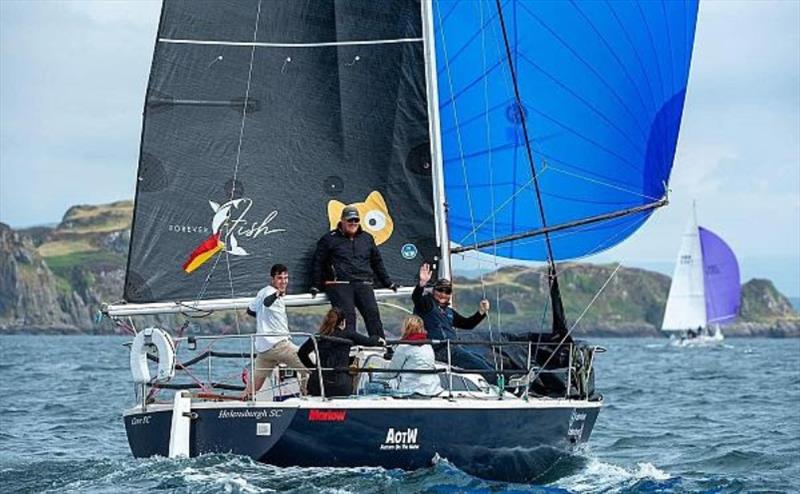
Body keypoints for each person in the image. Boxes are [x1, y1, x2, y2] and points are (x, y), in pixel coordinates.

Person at [311, 205, 397, 339]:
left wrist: (388, 282)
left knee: (372, 314)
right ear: (342, 221)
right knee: (347, 318)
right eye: (350, 220)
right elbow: (318, 262)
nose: (353, 223)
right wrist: (316, 284)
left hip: (363, 282)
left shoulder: (367, 238)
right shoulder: (329, 239)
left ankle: (381, 346)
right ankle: (348, 351)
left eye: (356, 220)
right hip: (339, 283)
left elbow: (377, 262)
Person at [412, 262, 498, 384]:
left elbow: (467, 324)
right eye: (440, 290)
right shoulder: (426, 304)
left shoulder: (449, 311)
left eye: (447, 291)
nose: (443, 294)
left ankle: (504, 381)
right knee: (476, 363)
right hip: (438, 349)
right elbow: (416, 298)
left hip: (452, 347)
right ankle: (502, 383)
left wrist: (481, 312)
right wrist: (421, 284)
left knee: (481, 360)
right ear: (433, 291)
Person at [244, 263, 308, 398]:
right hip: (280, 345)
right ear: (272, 279)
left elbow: (250, 310)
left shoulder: (261, 291)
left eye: (286, 278)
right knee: (311, 367)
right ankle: (307, 395)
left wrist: (264, 317)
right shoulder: (271, 294)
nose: (283, 281)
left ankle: (242, 401)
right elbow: (267, 302)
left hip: (264, 349)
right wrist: (277, 294)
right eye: (280, 278)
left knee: (254, 386)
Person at [298, 307, 384, 397]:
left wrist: (314, 369)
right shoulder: (348, 334)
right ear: (343, 322)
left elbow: (302, 353)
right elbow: (369, 342)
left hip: (317, 385)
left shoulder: (318, 337)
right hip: (340, 386)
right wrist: (377, 338)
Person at [387, 315, 443, 396]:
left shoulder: (404, 346)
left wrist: (374, 375)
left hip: (411, 388)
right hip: (432, 388)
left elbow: (391, 373)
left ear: (406, 329)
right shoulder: (428, 345)